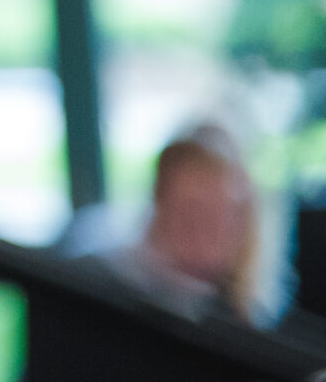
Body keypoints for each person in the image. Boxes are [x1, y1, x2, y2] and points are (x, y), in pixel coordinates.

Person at [103, 124, 264, 323]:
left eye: (216, 218)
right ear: (160, 205)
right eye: (189, 213)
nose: (201, 235)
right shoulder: (106, 287)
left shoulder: (245, 318)